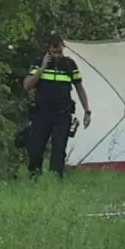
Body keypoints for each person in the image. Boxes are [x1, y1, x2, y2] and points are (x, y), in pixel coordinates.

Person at [22, 31, 92, 180]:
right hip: (42, 113)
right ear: (48, 49)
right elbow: (27, 85)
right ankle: (34, 176)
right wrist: (41, 69)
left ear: (63, 47)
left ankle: (56, 179)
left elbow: (79, 87)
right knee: (36, 148)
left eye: (59, 48)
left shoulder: (69, 64)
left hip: (62, 113)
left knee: (59, 149)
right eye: (54, 49)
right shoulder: (39, 62)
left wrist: (87, 110)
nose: (57, 52)